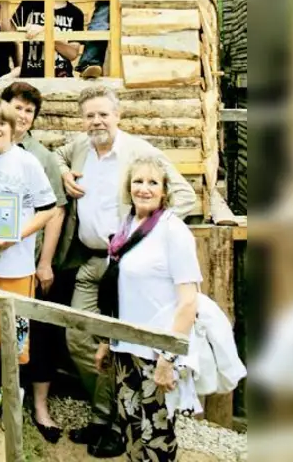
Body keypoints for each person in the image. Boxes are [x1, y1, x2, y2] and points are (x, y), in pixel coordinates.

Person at [55, 86, 198, 459]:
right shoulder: (79, 149)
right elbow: (54, 156)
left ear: (118, 116)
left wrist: (145, 236)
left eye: (103, 114)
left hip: (128, 265)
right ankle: (113, 414)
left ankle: (112, 424)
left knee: (126, 344)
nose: (96, 121)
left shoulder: (141, 153)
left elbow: (184, 196)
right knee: (81, 339)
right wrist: (62, 173)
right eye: (89, 115)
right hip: (90, 261)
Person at [0, 81, 69, 442]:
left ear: (14, 128)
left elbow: (49, 209)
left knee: (16, 335)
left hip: (18, 267)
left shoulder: (27, 161)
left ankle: (13, 395)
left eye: (2, 124)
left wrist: (16, 235)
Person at [95, 156, 202, 462]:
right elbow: (117, 291)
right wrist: (106, 341)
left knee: (157, 435)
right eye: (138, 181)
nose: (144, 188)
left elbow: (189, 301)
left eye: (153, 182)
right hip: (125, 348)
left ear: (165, 191)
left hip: (156, 352)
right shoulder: (126, 227)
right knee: (131, 428)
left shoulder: (173, 231)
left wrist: (168, 359)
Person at [0, 0, 86, 78]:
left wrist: (47, 33)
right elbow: (8, 32)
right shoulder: (31, 3)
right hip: (30, 76)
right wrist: (4, 2)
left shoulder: (76, 13)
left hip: (61, 77)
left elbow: (72, 54)